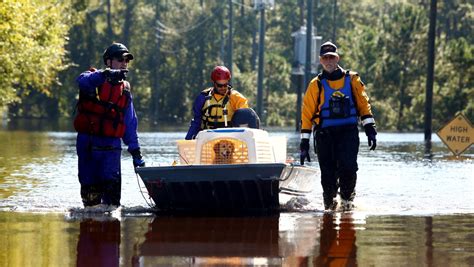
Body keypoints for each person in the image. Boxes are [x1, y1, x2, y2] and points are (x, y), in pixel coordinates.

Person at [299, 41, 377, 211]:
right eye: (325, 58)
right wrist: (304, 142)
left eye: (331, 57)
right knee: (328, 176)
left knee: (348, 168)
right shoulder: (315, 85)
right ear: (320, 60)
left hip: (348, 133)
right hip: (324, 135)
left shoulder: (352, 79)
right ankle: (329, 207)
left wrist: (370, 129)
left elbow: (364, 104)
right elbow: (306, 114)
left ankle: (348, 203)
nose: (328, 61)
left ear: (337, 58)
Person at [74, 43, 145, 208]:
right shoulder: (92, 78)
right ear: (108, 61)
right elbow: (82, 82)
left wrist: (136, 152)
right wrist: (104, 75)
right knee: (90, 199)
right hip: (88, 146)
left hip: (111, 149)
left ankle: (110, 228)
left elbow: (129, 124)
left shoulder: (125, 90)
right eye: (120, 59)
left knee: (112, 204)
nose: (124, 63)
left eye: (127, 60)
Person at [185, 66, 249, 140]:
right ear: (213, 82)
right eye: (219, 85)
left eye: (225, 85)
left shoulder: (236, 97)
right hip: (207, 139)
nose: (223, 88)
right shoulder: (203, 98)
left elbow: (246, 120)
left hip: (231, 139)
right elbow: (196, 122)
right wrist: (188, 140)